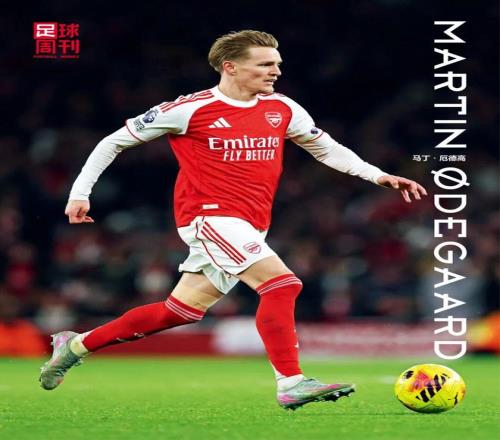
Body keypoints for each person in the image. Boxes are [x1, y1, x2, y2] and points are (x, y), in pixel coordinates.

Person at [39, 30, 427, 410]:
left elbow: (326, 148)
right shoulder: (190, 109)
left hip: (251, 223)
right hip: (209, 218)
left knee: (179, 311)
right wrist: (79, 193)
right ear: (231, 67)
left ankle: (75, 345)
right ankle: (291, 382)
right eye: (265, 64)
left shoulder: (283, 108)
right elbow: (113, 141)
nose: (276, 71)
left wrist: (378, 176)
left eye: (277, 64)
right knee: (282, 285)